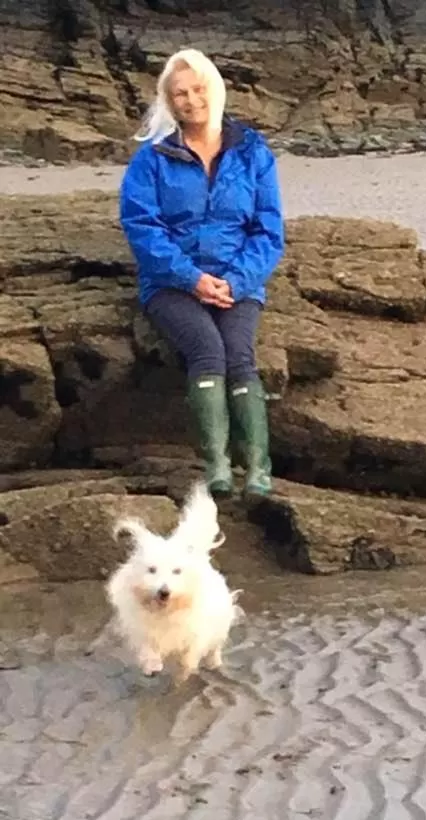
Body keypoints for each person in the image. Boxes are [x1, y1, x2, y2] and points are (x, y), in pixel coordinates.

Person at [119, 48, 285, 500]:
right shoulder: (152, 159)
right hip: (171, 283)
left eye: (198, 89)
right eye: (180, 94)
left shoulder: (252, 152)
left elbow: (268, 231)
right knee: (207, 350)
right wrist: (191, 279)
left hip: (237, 281)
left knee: (239, 354)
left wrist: (237, 281)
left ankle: (258, 469)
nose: (192, 100)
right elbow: (142, 227)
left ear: (215, 88)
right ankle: (217, 467)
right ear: (169, 102)